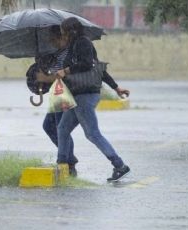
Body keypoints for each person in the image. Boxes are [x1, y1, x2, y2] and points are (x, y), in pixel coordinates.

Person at [33, 25, 130, 178]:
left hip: (85, 96)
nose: (63, 35)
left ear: (71, 31)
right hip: (76, 96)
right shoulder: (73, 48)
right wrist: (116, 88)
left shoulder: (83, 43)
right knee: (62, 129)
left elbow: (89, 65)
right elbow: (99, 69)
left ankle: (119, 164)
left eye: (64, 32)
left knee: (92, 134)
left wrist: (64, 71)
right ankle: (63, 164)